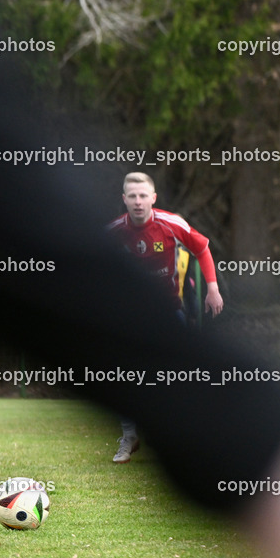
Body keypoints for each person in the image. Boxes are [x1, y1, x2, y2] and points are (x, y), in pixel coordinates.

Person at [105, 172, 224, 463]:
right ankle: (129, 436)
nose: (138, 201)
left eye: (143, 195)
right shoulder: (113, 231)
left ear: (153, 198)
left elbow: (202, 248)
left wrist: (212, 289)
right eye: (132, 196)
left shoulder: (170, 224)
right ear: (124, 199)